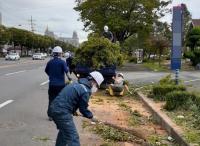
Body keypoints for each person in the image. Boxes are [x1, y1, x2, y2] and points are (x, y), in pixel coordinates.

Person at [49, 71, 104, 146]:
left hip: (54, 108)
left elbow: (70, 99)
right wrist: (91, 116)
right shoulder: (85, 91)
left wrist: (73, 110)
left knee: (64, 133)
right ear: (93, 82)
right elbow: (83, 109)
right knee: (73, 138)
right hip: (62, 112)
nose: (96, 88)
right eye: (97, 86)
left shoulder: (76, 83)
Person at [45, 46, 72, 121]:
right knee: (60, 100)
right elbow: (67, 72)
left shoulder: (50, 62)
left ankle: (50, 116)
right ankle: (58, 115)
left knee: (51, 100)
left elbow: (46, 71)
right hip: (60, 85)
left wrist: (51, 76)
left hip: (52, 85)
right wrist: (70, 78)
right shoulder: (62, 62)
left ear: (53, 53)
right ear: (60, 54)